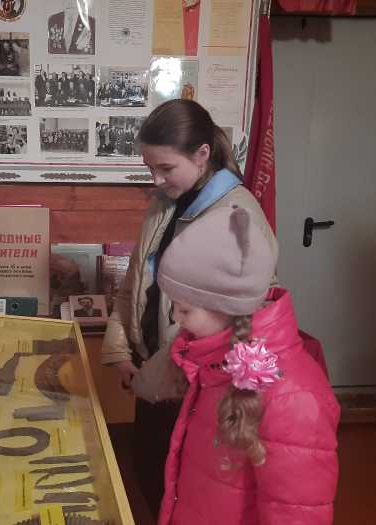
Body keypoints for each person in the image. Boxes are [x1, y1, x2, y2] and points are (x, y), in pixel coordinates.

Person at [100, 98, 277, 516]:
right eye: (150, 168)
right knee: (148, 477)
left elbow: (249, 319)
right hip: (151, 375)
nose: (156, 179)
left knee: (181, 494)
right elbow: (133, 283)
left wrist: (153, 377)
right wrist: (120, 350)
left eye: (166, 168)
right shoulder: (163, 202)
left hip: (194, 386)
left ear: (202, 154)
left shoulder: (238, 216)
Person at [156, 205, 339, 524]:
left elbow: (296, 512)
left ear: (227, 307)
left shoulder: (294, 396)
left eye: (184, 310)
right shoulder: (213, 364)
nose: (175, 318)